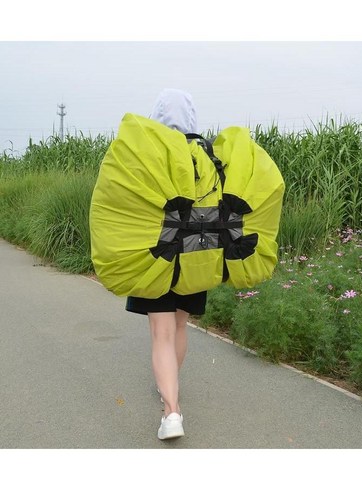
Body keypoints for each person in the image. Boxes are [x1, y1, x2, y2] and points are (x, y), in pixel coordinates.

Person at [125, 89, 207, 440]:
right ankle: (171, 388)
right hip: (194, 253)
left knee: (161, 331)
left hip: (156, 252)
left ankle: (171, 410)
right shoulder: (204, 155)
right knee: (180, 325)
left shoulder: (146, 150)